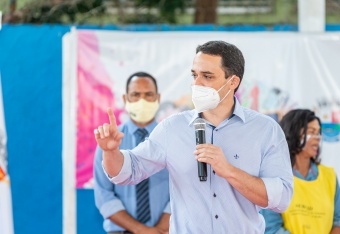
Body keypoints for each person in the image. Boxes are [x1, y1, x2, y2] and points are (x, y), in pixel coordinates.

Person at [94, 41, 294, 233]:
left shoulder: (265, 130)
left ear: (233, 82)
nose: (196, 84)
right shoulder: (172, 128)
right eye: (194, 75)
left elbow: (282, 199)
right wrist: (111, 152)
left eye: (207, 76)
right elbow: (128, 172)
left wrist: (229, 171)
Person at [93, 72, 170, 234]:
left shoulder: (171, 138)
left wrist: (161, 229)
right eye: (135, 95)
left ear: (158, 98)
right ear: (125, 99)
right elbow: (104, 194)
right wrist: (141, 230)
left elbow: (184, 188)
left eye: (148, 94)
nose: (142, 100)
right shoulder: (108, 142)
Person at [261, 109, 340, 234]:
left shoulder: (329, 176)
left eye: (318, 133)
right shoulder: (274, 178)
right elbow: (272, 228)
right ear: (293, 133)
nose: (318, 138)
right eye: (312, 132)